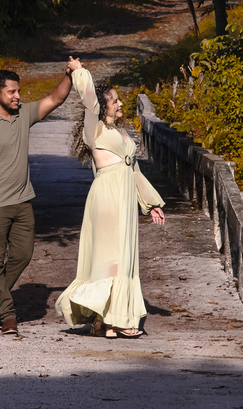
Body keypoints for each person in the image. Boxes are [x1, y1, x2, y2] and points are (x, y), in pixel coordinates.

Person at [55, 56, 165, 339]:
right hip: (107, 197)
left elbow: (134, 169)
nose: (119, 103)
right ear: (102, 107)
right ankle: (116, 319)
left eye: (118, 99)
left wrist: (151, 203)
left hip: (125, 196)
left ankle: (105, 319)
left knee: (122, 257)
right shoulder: (96, 128)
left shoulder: (121, 132)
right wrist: (79, 72)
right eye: (114, 100)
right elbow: (89, 96)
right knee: (112, 257)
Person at [0, 65, 73, 335]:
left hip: (22, 200)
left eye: (19, 91)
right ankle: (7, 314)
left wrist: (69, 75)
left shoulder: (24, 115)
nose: (17, 96)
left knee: (23, 254)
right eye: (11, 91)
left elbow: (56, 99)